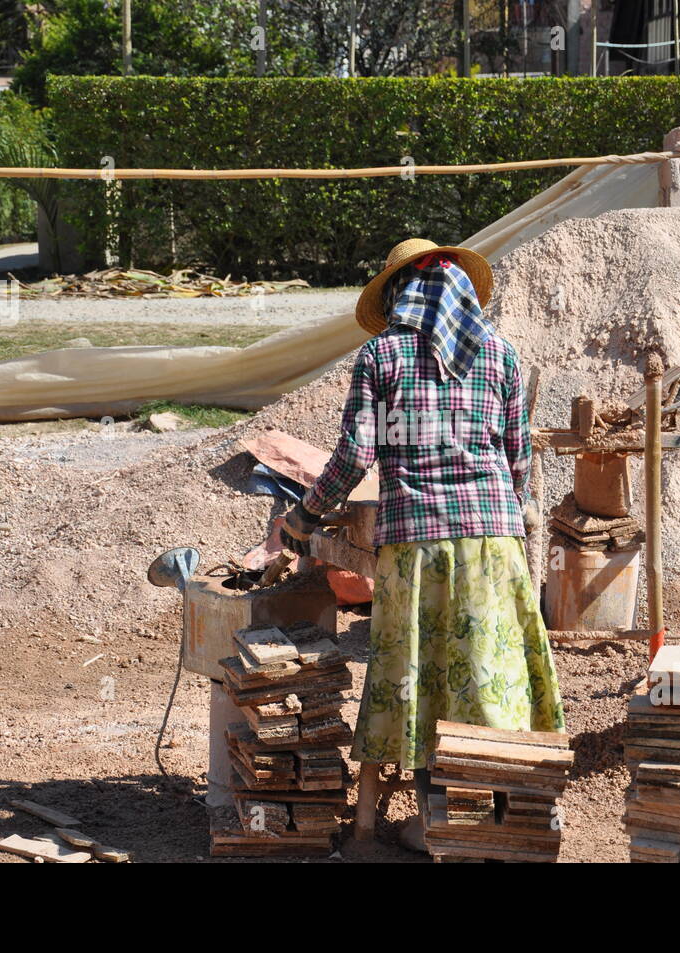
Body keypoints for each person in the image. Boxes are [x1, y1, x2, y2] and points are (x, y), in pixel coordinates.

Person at [280, 238, 565, 851]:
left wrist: (303, 519)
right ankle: (496, 811)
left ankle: (433, 818)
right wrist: (501, 518)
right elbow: (519, 466)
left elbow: (355, 456)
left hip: (417, 546)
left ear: (397, 294)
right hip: (495, 544)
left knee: (418, 675)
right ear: (460, 291)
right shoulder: (501, 356)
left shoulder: (382, 355)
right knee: (488, 676)